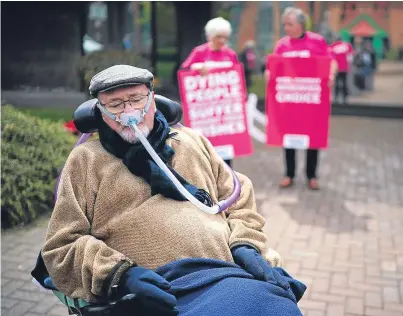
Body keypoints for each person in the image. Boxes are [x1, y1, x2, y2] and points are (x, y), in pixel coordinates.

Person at [38, 65, 306, 316]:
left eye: (135, 99)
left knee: (277, 309)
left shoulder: (191, 142)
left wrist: (245, 244)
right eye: (115, 105)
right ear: (100, 112)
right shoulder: (86, 160)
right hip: (156, 288)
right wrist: (119, 275)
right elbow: (62, 244)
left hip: (225, 272)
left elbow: (237, 197)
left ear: (152, 100)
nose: (128, 112)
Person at [265, 7, 338, 190]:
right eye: (285, 25)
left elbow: (331, 62)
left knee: (312, 137)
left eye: (290, 24)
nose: (286, 28)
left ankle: (311, 176)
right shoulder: (282, 44)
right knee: (289, 137)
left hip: (311, 101)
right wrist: (269, 74)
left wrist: (331, 75)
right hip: (289, 101)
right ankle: (289, 174)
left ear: (301, 25)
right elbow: (274, 67)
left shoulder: (317, 41)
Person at [180, 17, 240, 168]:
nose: (222, 40)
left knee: (226, 146)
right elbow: (184, 70)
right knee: (208, 148)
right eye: (218, 36)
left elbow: (237, 77)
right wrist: (197, 67)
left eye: (225, 37)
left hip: (225, 108)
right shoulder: (199, 52)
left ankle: (228, 177)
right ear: (210, 36)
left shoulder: (230, 54)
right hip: (205, 108)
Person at [329, 35, 354, 104]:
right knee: (345, 83)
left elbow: (330, 59)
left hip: (335, 69)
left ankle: (336, 98)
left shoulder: (332, 46)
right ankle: (345, 98)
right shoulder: (347, 45)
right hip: (345, 68)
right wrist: (349, 66)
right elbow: (350, 58)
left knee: (336, 84)